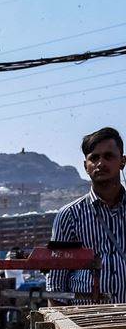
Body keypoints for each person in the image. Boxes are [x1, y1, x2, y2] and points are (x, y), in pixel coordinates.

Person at [48, 126, 126, 304]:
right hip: (85, 323)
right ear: (86, 166)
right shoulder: (69, 215)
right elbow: (56, 283)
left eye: (108, 156)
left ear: (122, 161)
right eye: (94, 158)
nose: (101, 163)